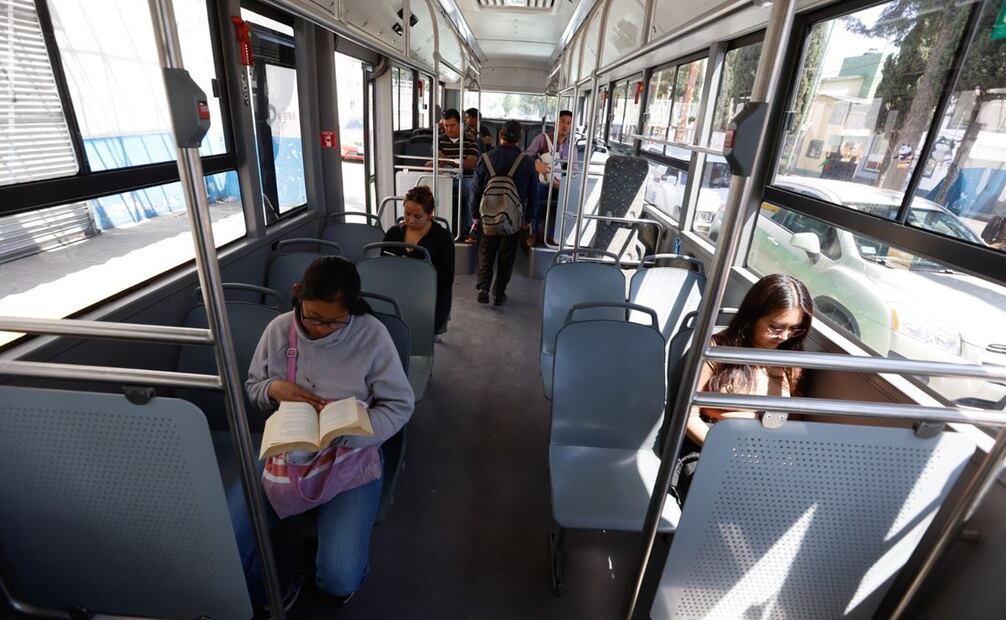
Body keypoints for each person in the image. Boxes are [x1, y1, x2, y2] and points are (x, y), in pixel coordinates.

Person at [228, 256, 414, 609]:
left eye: (334, 323)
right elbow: (253, 386)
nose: (319, 329)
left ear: (352, 310)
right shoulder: (280, 330)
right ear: (298, 294)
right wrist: (273, 389)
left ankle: (320, 557)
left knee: (339, 580)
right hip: (287, 448)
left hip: (350, 454)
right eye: (312, 317)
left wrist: (355, 433)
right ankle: (264, 594)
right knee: (230, 548)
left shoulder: (371, 335)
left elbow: (399, 405)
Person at [688, 273, 814, 447]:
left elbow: (794, 422)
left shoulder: (790, 360)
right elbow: (689, 416)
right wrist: (722, 450)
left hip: (766, 448)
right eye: (776, 327)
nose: (784, 336)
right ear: (753, 317)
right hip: (712, 442)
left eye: (795, 329)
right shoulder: (716, 349)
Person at [470, 120, 539, 306]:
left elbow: (475, 192)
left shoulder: (484, 158)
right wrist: (528, 219)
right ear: (519, 138)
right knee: (506, 257)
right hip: (514, 219)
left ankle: (483, 288)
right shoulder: (526, 161)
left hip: (488, 218)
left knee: (486, 252)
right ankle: (499, 294)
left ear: (500, 135)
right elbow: (534, 193)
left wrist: (475, 217)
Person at [382, 185, 456, 333]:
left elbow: (446, 279)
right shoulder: (394, 233)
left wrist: (417, 272)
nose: (410, 220)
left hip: (429, 297)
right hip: (397, 293)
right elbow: (382, 266)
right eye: (407, 213)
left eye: (417, 216)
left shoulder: (442, 238)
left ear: (429, 215)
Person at [428, 109, 480, 242]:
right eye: (446, 125)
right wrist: (457, 162)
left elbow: (470, 163)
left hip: (465, 178)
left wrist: (446, 160)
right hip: (444, 177)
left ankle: (469, 228)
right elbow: (435, 161)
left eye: (452, 125)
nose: (449, 129)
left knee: (470, 189)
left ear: (460, 124)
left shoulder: (470, 140)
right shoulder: (439, 140)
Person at [525, 110, 574, 246]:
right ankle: (533, 231)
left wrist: (563, 184)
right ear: (556, 123)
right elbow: (526, 157)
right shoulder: (543, 139)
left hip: (560, 184)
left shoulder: (571, 146)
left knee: (568, 198)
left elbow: (574, 171)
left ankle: (554, 235)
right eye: (563, 122)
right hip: (542, 182)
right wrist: (536, 164)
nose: (565, 125)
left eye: (569, 123)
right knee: (537, 193)